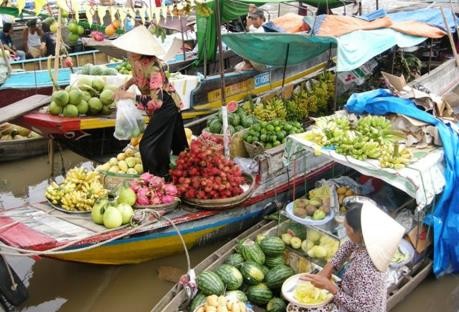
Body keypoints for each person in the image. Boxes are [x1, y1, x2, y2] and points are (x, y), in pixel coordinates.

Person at [288, 202, 405, 312]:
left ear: (358, 232)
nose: (346, 232)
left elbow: (362, 308)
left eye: (347, 229)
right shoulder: (367, 239)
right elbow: (348, 246)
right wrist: (328, 268)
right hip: (353, 292)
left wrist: (330, 287)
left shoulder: (367, 268)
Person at [112, 26, 188, 178]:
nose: (130, 53)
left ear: (142, 50)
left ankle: (157, 178)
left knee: (148, 145)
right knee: (177, 143)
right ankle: (176, 173)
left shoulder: (154, 68)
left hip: (166, 104)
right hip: (160, 104)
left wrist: (130, 96)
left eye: (133, 49)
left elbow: (157, 102)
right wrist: (128, 83)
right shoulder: (135, 60)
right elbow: (138, 77)